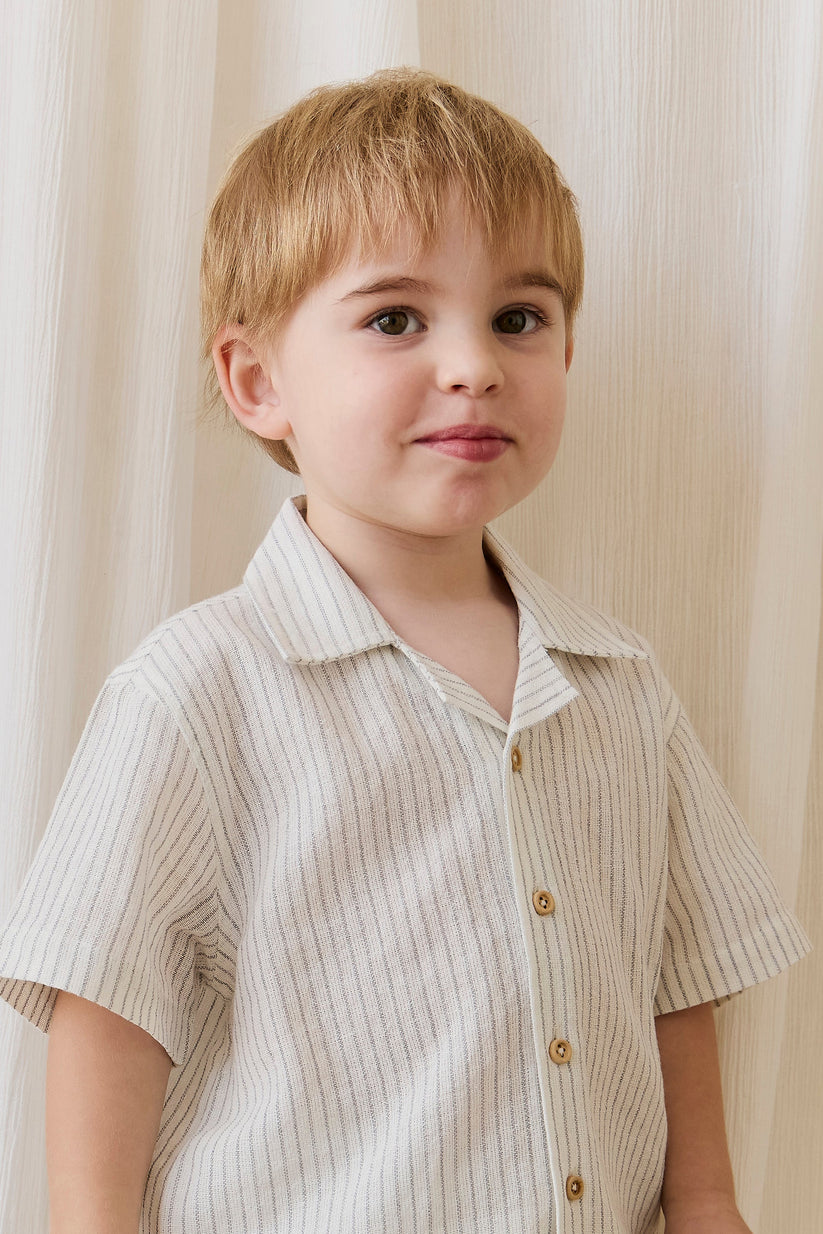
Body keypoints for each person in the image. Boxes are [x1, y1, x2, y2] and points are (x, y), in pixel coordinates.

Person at [0, 66, 811, 1234]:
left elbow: (675, 971)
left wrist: (706, 1200)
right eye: (395, 319)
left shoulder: (619, 687)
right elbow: (110, 1006)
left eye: (518, 318)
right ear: (257, 380)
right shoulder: (199, 692)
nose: (473, 363)